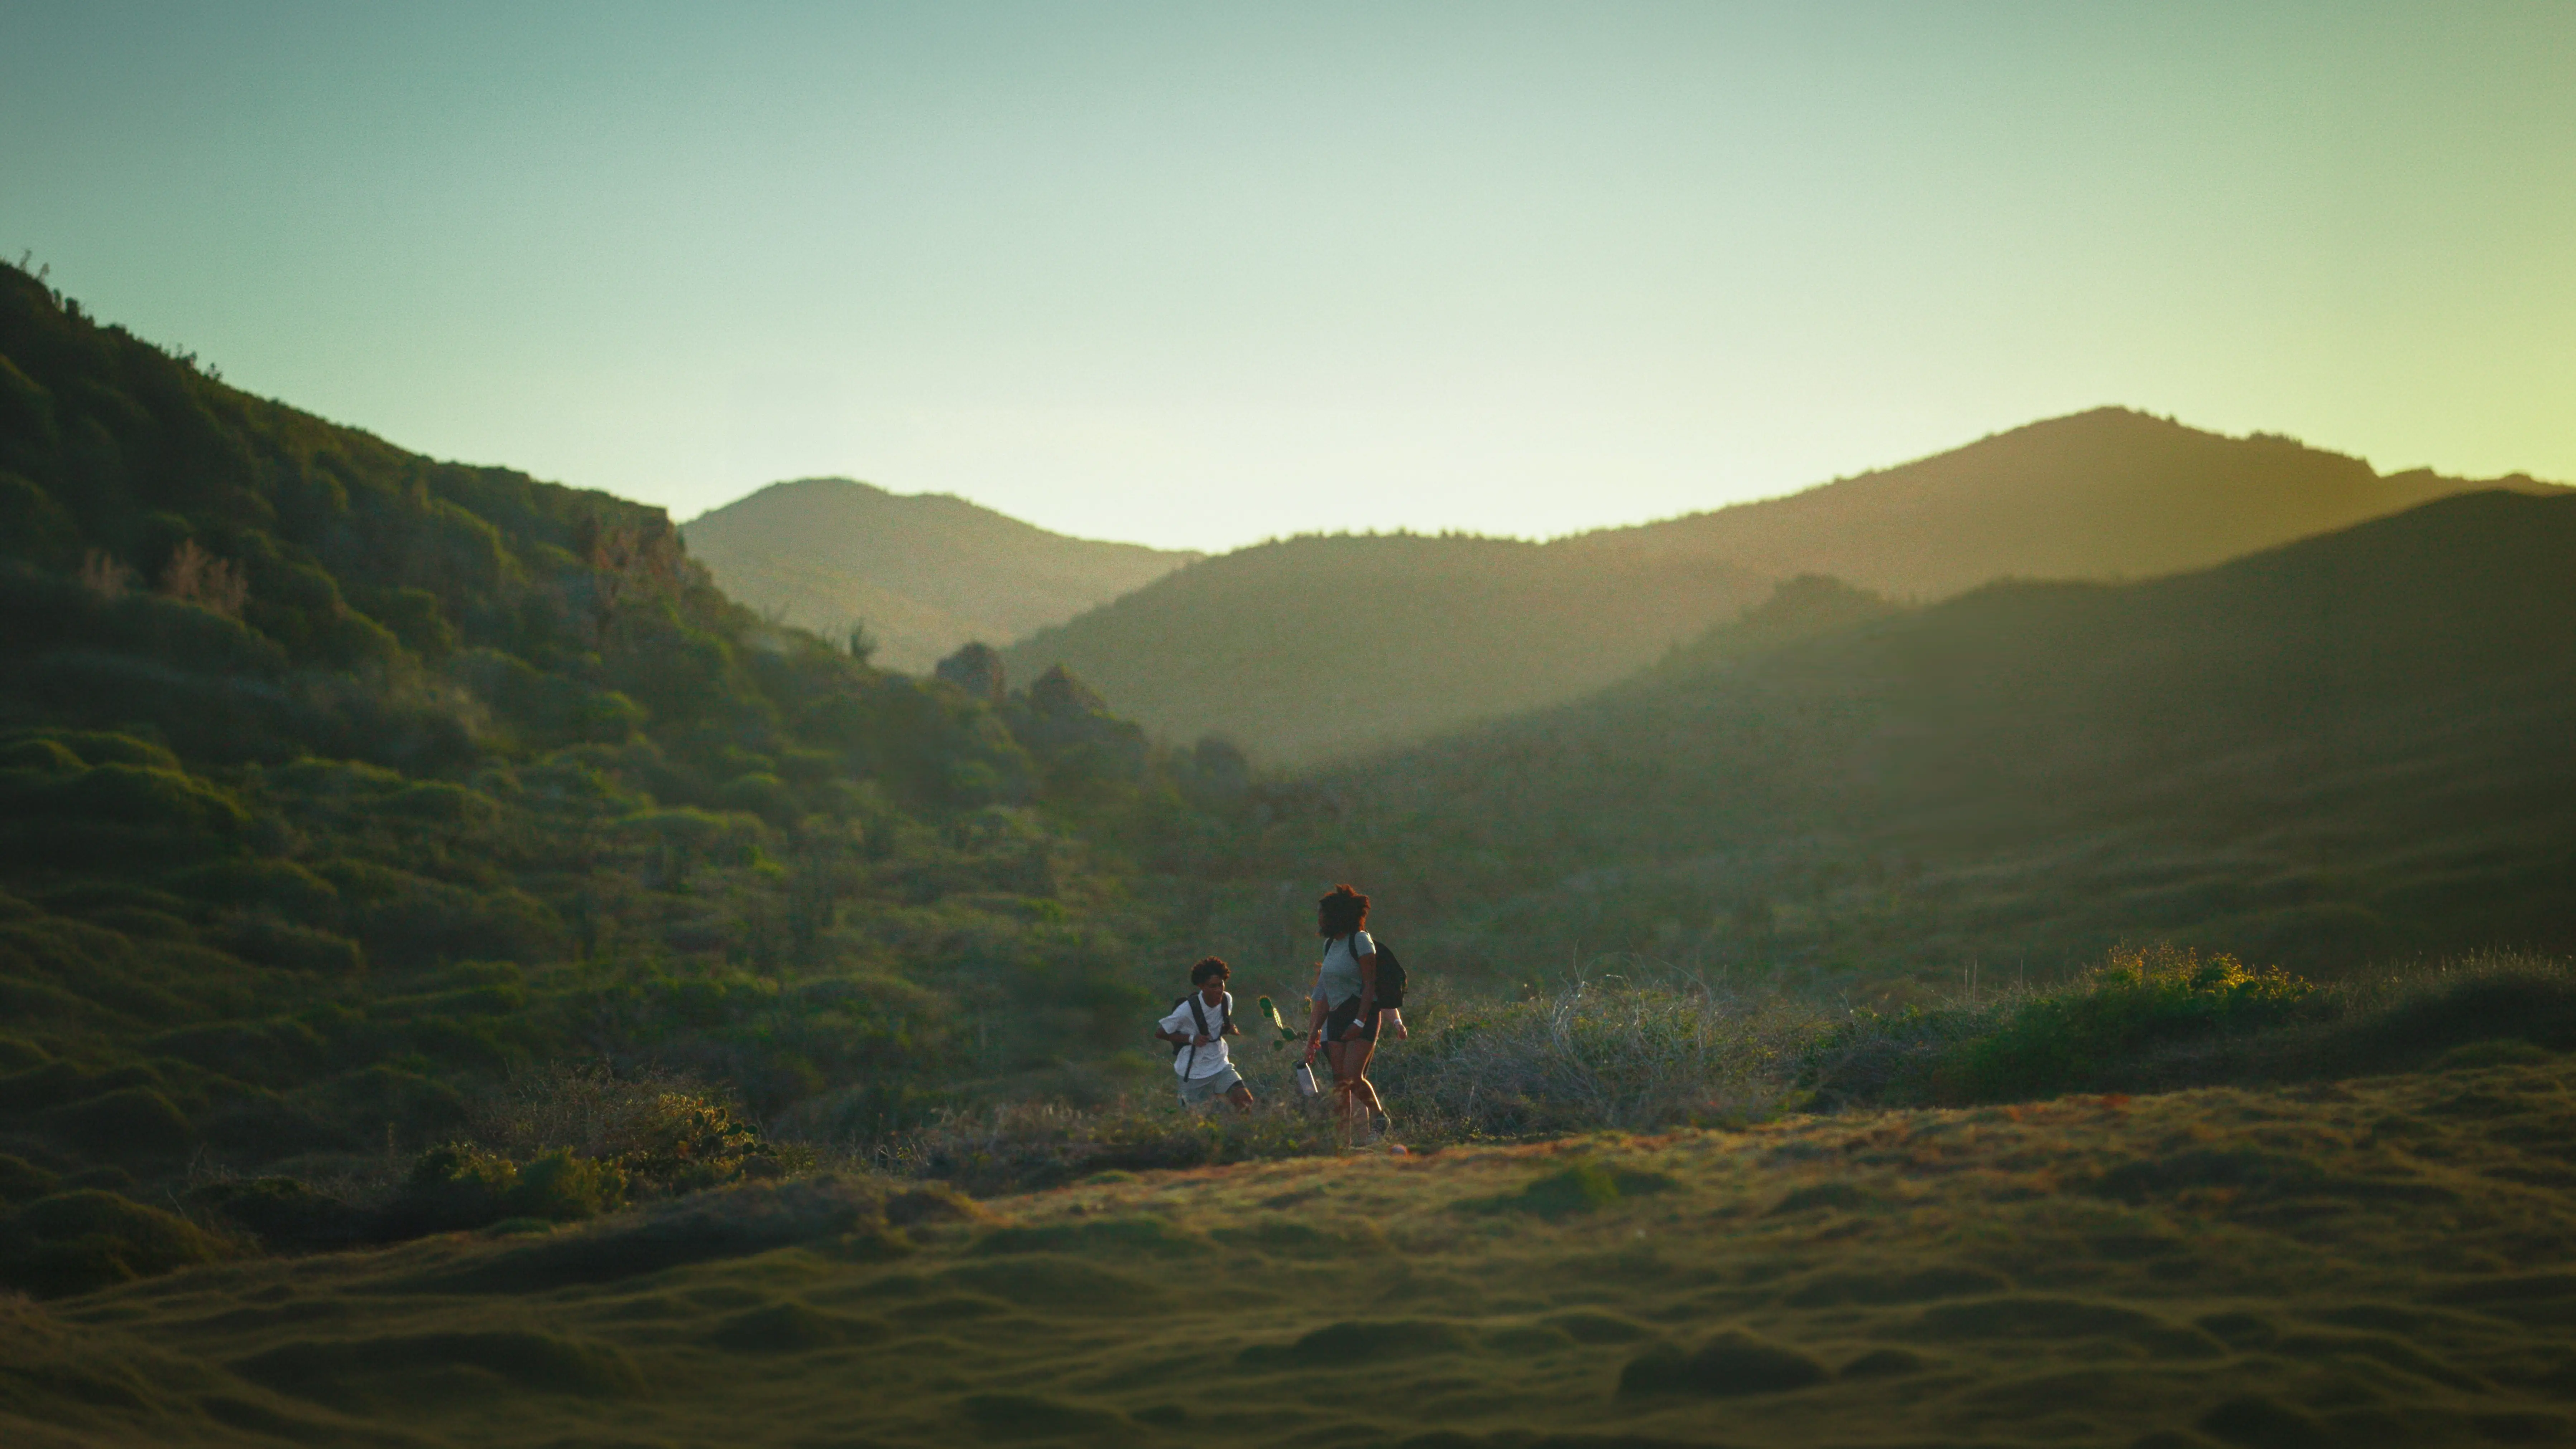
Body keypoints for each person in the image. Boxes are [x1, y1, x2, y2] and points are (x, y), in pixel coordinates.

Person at [1303, 883, 1390, 1139]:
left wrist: (1360, 1020)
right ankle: (1343, 1142)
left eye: (1323, 913)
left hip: (1362, 1013)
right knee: (1340, 1083)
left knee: (1353, 1076)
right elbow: (1325, 993)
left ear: (1337, 915)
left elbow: (1370, 984)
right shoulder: (1330, 945)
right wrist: (1314, 1032)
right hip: (1338, 1016)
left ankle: (1379, 1116)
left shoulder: (1361, 941)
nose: (1319, 918)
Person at [1157, 956, 1253, 1113]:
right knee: (1195, 1121)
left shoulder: (1226, 1000)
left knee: (1245, 1101)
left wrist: (1227, 1029)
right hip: (1194, 1073)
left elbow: (1216, 1026)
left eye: (1221, 984)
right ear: (1202, 986)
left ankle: (1243, 1135)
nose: (1219, 990)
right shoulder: (1187, 1009)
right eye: (1212, 986)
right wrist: (1191, 1039)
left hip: (1220, 1065)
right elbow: (1161, 1033)